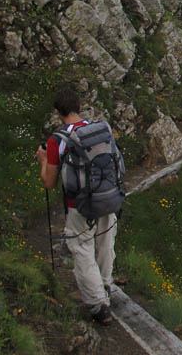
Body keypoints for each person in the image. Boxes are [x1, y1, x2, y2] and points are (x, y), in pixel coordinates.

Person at [36, 87, 116, 326]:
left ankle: (98, 306)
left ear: (58, 113)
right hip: (109, 198)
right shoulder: (101, 129)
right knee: (105, 244)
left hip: (79, 205)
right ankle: (105, 285)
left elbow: (49, 183)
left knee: (82, 249)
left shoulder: (57, 141)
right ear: (80, 107)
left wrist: (42, 161)